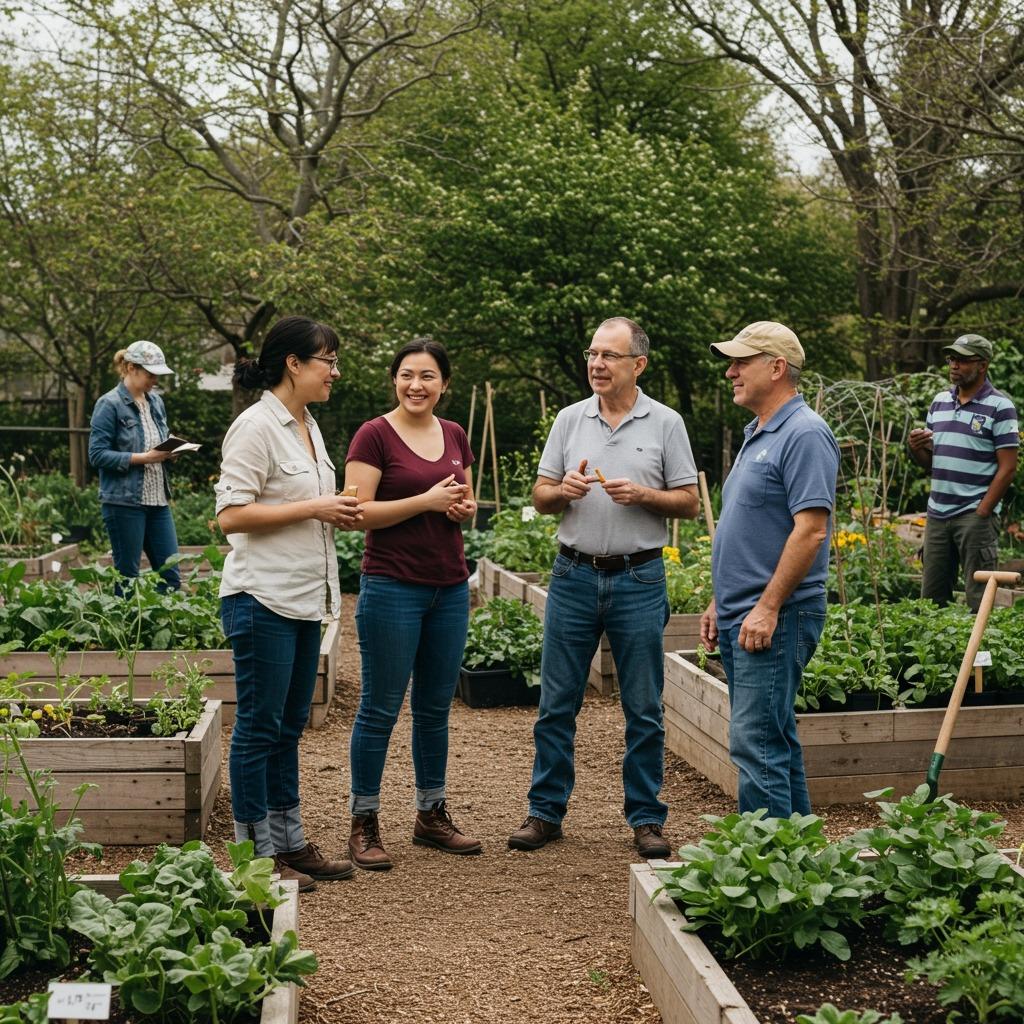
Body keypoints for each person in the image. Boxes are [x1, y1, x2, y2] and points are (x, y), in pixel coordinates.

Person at [507, 316, 699, 859]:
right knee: (556, 703)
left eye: (609, 356)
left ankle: (646, 819)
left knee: (643, 707)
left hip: (639, 577)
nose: (596, 364)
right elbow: (541, 494)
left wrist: (644, 495)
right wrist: (560, 491)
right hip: (572, 575)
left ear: (638, 364)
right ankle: (545, 813)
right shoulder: (571, 419)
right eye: (592, 354)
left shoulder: (665, 423)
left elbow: (689, 500)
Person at [215, 315, 361, 893]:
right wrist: (315, 509)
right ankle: (255, 856)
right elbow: (231, 516)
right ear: (293, 364)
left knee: (287, 728)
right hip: (262, 598)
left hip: (304, 601)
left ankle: (289, 840)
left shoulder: (308, 426)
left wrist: (332, 511)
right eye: (327, 359)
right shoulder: (255, 427)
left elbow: (307, 505)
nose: (335, 370)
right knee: (257, 728)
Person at [344, 338, 480, 871]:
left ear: (445, 384)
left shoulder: (454, 434)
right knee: (379, 708)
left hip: (448, 586)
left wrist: (461, 509)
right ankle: (364, 820)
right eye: (406, 375)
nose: (416, 385)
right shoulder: (374, 434)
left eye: (427, 376)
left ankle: (431, 813)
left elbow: (463, 501)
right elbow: (356, 512)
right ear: (393, 380)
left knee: (433, 709)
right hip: (392, 586)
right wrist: (425, 501)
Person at [700, 321, 839, 818]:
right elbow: (756, 527)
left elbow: (811, 531)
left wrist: (767, 605)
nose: (730, 372)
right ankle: (800, 863)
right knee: (772, 741)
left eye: (741, 362)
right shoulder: (758, 433)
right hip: (747, 616)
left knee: (754, 746)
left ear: (777, 368)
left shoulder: (804, 433)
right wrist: (723, 598)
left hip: (776, 619)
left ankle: (769, 879)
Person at [908, 334, 1019, 612]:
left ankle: (983, 656)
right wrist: (916, 447)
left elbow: (1008, 468)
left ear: (982, 365)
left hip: (973, 515)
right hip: (937, 514)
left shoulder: (1000, 407)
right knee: (931, 600)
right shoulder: (939, 403)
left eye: (962, 360)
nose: (954, 365)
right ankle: (939, 656)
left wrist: (982, 512)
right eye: (952, 359)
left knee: (979, 600)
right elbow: (931, 462)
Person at [88, 341, 182, 591]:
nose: (156, 381)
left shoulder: (156, 403)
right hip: (124, 503)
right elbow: (97, 455)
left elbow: (157, 441)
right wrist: (144, 458)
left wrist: (170, 451)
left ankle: (167, 628)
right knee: (128, 578)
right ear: (131, 368)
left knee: (171, 577)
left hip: (158, 502)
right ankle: (127, 630)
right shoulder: (109, 405)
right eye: (151, 375)